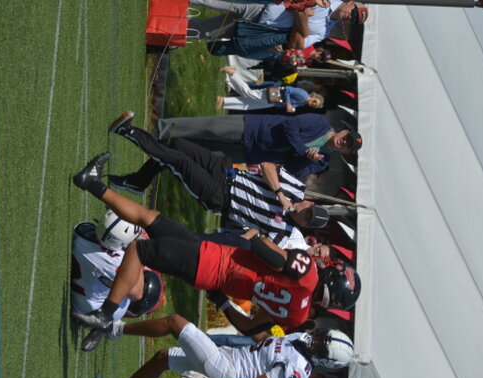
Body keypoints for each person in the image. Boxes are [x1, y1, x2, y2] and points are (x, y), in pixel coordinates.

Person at [70, 152, 360, 339]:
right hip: (215, 270)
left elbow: (266, 253)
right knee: (151, 219)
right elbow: (249, 327)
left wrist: (257, 237)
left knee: (138, 250)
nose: (327, 263)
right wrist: (222, 301)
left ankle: (105, 315)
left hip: (215, 261)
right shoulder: (297, 316)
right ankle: (90, 183)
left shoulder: (307, 272)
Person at [107, 112, 330, 252]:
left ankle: (128, 131)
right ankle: (138, 182)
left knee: (178, 161)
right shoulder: (296, 188)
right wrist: (280, 193)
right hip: (227, 172)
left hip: (220, 197)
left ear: (304, 226)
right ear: (309, 203)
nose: (302, 214)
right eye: (308, 211)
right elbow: (267, 165)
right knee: (178, 145)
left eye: (306, 219)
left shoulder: (284, 231)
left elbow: (262, 245)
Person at [89, 314, 352, 378]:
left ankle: (113, 328)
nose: (317, 339)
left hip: (227, 373)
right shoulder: (300, 339)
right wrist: (228, 306)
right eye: (322, 337)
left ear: (324, 359)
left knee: (175, 322)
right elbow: (263, 340)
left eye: (322, 344)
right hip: (227, 358)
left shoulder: (299, 370)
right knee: (163, 359)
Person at [156, 112, 363, 179]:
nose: (343, 142)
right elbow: (290, 125)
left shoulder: (322, 162)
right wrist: (302, 149)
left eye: (347, 145)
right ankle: (161, 130)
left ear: (345, 152)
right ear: (343, 131)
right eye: (346, 137)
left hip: (252, 154)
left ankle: (165, 147)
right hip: (254, 128)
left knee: (205, 153)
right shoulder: (319, 123)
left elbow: (293, 170)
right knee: (208, 127)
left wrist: (306, 159)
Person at [71, 210, 164, 350]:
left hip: (87, 281)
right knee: (145, 291)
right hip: (87, 310)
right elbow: (137, 293)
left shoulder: (82, 230)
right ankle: (106, 326)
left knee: (116, 281)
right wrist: (136, 250)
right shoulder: (115, 262)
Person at [190, 0, 369, 51]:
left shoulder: (325, 32)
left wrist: (303, 20)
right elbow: (298, 5)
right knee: (211, 1)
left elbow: (297, 45)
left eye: (353, 20)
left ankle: (174, 29)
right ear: (350, 3)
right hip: (260, 5)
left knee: (208, 31)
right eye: (353, 13)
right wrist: (303, 29)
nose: (350, 18)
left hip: (257, 27)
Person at [217, 66, 325, 112]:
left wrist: (291, 107)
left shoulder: (303, 102)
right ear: (314, 96)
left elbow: (292, 104)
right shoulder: (303, 94)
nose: (312, 103)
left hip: (273, 101)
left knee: (248, 104)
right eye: (314, 101)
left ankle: (224, 101)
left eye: (314, 105)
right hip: (274, 95)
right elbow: (287, 89)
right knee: (248, 93)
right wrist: (288, 104)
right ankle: (232, 73)